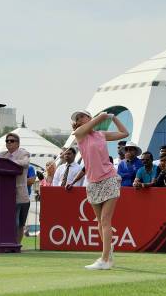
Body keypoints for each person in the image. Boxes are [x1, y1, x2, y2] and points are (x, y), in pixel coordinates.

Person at [68, 110, 128, 270]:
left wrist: (114, 117)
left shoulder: (100, 134)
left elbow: (124, 133)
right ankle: (108, 254)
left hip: (109, 178)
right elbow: (96, 120)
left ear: (88, 117)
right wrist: (102, 116)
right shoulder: (79, 134)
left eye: (83, 116)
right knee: (100, 223)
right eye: (78, 118)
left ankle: (104, 259)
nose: (80, 120)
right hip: (92, 182)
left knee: (105, 221)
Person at [0, 132, 31, 246]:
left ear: (18, 143)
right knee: (12, 222)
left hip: (21, 195)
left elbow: (25, 163)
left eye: (12, 141)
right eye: (7, 141)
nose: (9, 143)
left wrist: (8, 163)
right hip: (5, 194)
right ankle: (9, 243)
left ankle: (17, 245)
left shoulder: (24, 153)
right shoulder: (2, 155)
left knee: (20, 223)